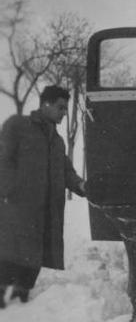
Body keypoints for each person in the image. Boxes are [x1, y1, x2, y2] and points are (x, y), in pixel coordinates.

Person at [0, 85, 87, 308]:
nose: (64, 112)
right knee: (9, 255)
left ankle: (22, 302)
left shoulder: (57, 141)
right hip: (17, 208)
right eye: (60, 107)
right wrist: (8, 192)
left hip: (45, 211)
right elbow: (3, 159)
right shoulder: (18, 126)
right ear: (45, 104)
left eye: (66, 108)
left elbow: (67, 170)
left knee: (33, 259)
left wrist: (81, 185)